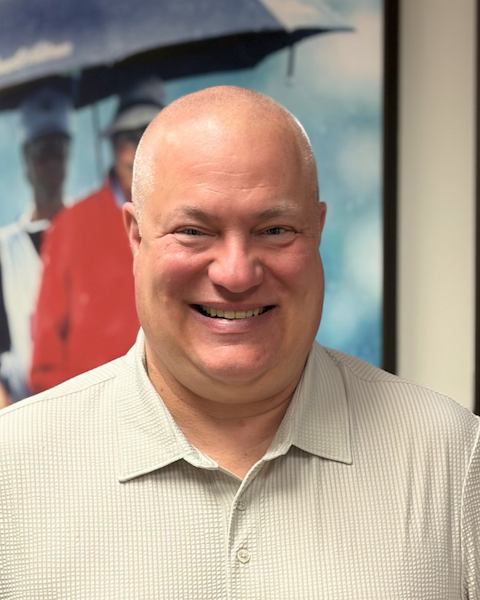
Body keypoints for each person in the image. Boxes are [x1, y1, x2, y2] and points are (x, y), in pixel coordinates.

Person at [1, 86, 479, 598]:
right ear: (136, 237)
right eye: (193, 231)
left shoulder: (453, 458)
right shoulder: (13, 469)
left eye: (273, 230)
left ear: (317, 229)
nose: (235, 274)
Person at [29, 77, 164, 394]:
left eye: (149, 137)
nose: (138, 153)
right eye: (128, 139)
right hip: (92, 410)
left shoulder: (198, 222)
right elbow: (45, 364)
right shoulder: (68, 227)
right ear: (113, 146)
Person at [0, 87, 72, 403]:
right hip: (22, 407)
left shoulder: (88, 230)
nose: (51, 163)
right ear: (26, 158)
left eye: (59, 151)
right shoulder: (4, 249)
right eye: (43, 153)